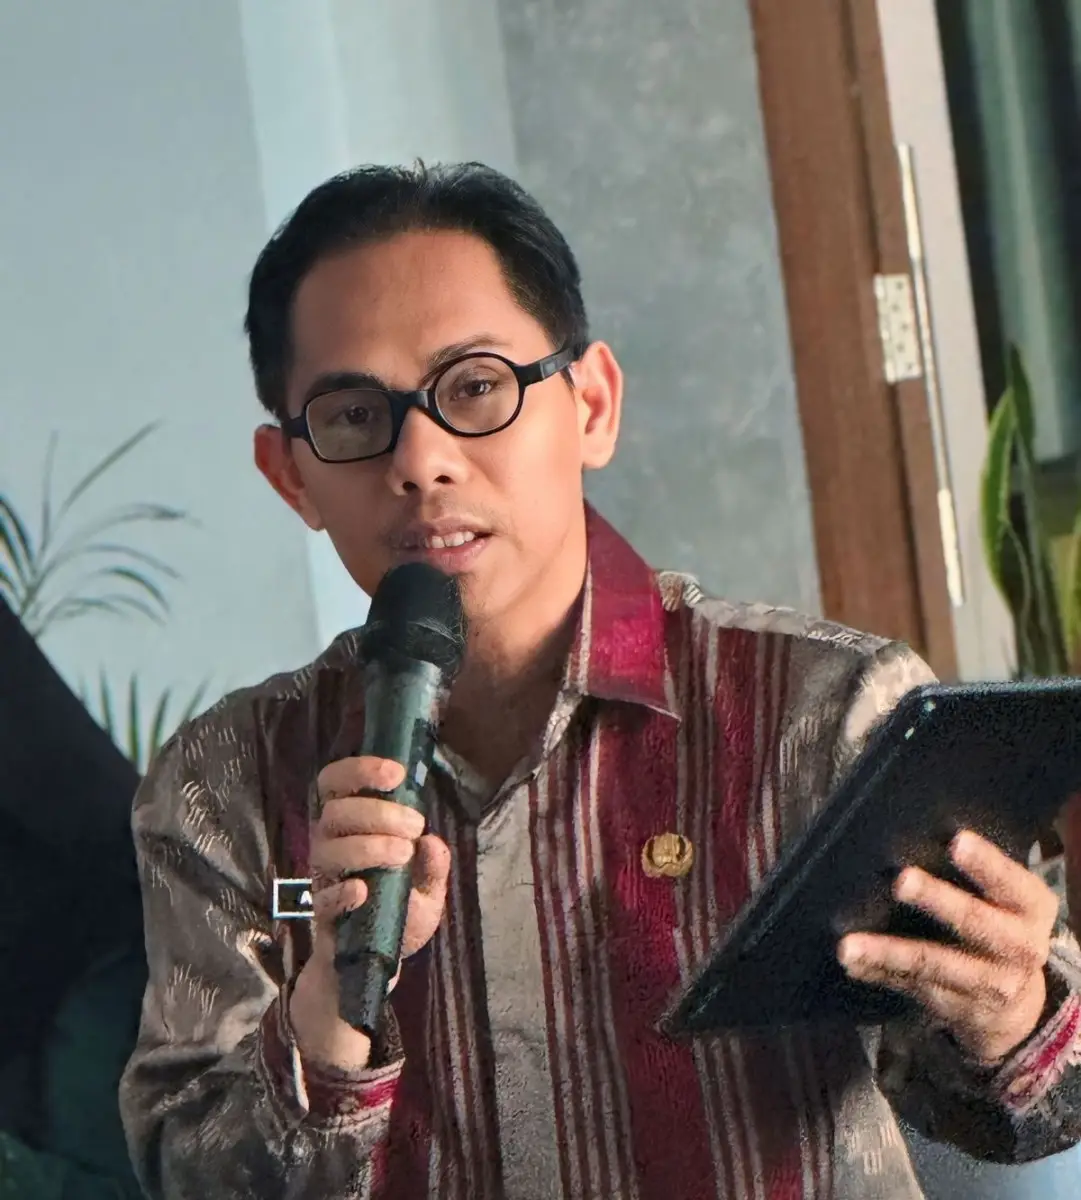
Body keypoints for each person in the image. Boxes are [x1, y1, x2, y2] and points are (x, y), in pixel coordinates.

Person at [119, 163, 1081, 1200]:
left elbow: (1028, 1110)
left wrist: (1013, 1015)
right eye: (354, 415)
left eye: (474, 386)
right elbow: (188, 1176)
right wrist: (325, 1017)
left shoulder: (827, 710)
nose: (421, 459)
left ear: (591, 405)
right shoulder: (226, 782)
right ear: (290, 476)